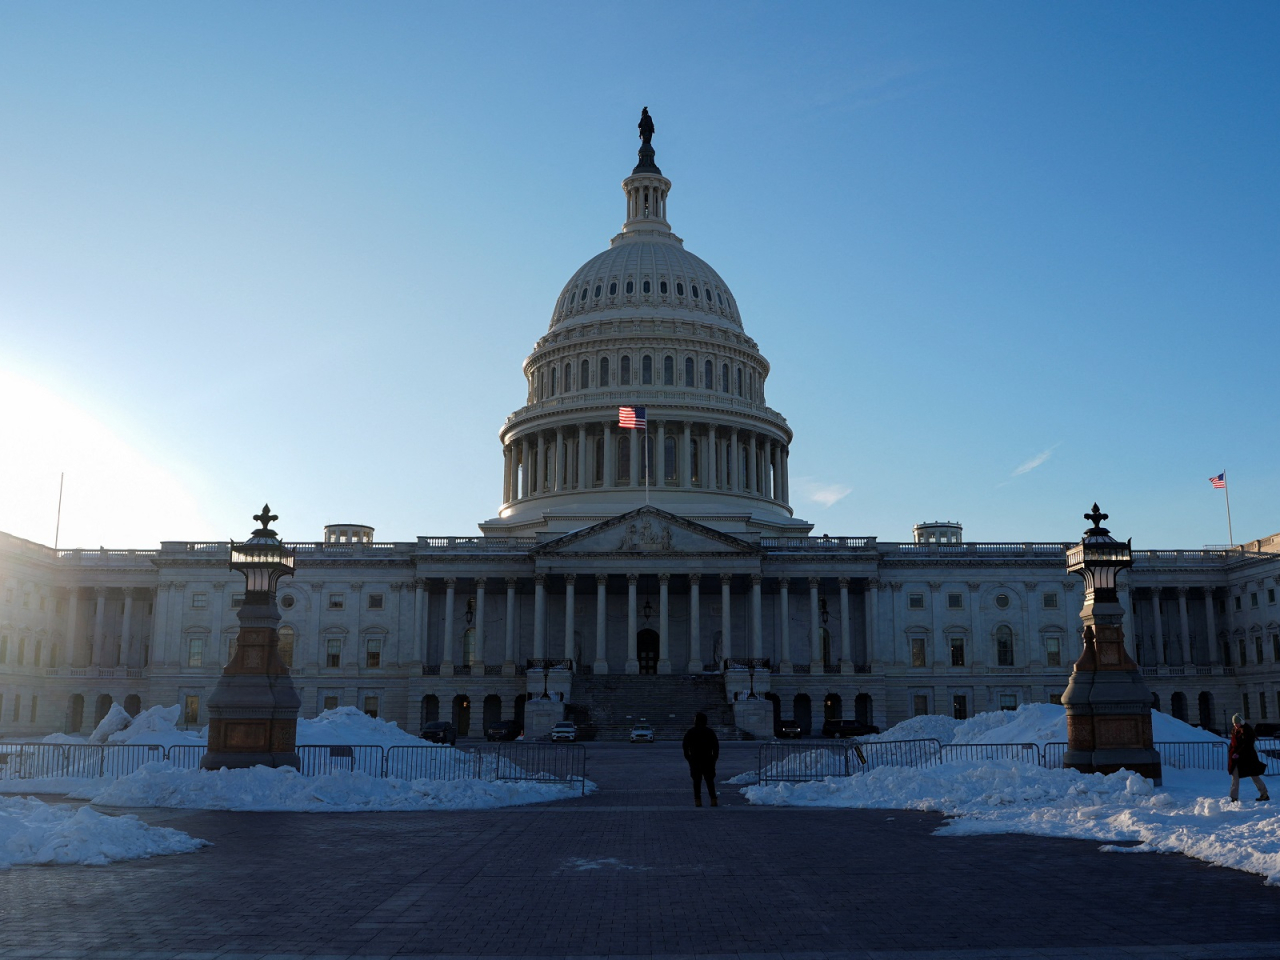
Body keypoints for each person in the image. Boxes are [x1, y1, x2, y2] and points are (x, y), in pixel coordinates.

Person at [1228, 713, 1270, 802]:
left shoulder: (1247, 730)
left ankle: (1264, 793)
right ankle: (1233, 797)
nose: (1236, 725)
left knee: (1254, 775)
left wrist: (1238, 753)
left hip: (1248, 757)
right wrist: (1232, 751)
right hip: (1237, 758)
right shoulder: (1235, 730)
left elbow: (1247, 744)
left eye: (1237, 723)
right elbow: (1233, 743)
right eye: (1234, 723)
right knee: (1235, 776)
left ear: (1242, 722)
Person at [682, 711, 720, 807]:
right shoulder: (710, 732)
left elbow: (685, 746)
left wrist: (689, 758)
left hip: (695, 760)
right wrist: (714, 758)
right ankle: (713, 799)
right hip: (708, 760)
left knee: (696, 781)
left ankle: (698, 801)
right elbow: (716, 746)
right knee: (710, 781)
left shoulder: (691, 732)